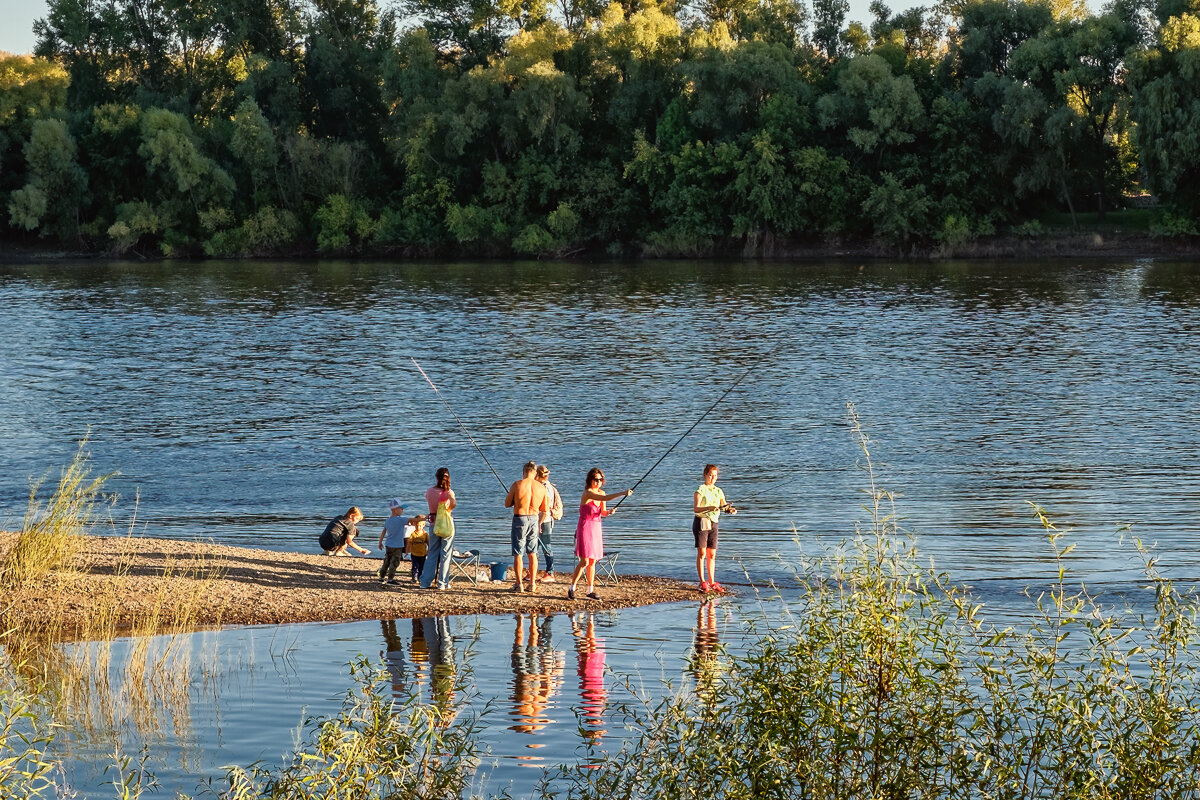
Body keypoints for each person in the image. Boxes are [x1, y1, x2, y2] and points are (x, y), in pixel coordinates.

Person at [567, 468, 632, 601]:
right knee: (584, 561)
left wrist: (609, 512)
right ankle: (572, 587)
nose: (598, 482)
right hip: (585, 527)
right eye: (596, 480)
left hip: (596, 528)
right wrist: (623, 493)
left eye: (600, 480)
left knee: (592, 561)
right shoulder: (588, 493)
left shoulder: (601, 492)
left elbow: (602, 512)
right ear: (590, 480)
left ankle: (590, 590)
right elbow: (605, 498)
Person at [504, 461, 549, 594]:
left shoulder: (517, 484)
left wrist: (514, 498)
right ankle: (532, 583)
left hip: (520, 518)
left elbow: (507, 504)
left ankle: (519, 584)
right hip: (534, 519)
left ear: (524, 472)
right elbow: (545, 510)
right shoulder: (541, 488)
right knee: (532, 552)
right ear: (535, 473)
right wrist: (540, 523)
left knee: (518, 553)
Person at [694, 463, 736, 593]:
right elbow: (696, 509)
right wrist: (709, 508)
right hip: (702, 522)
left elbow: (724, 506)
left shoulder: (719, 491)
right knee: (702, 553)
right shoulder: (700, 490)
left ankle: (712, 582)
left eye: (715, 476)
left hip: (714, 523)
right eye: (710, 475)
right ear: (705, 475)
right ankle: (702, 582)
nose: (712, 478)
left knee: (711, 554)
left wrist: (730, 510)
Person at [420, 468, 457, 589]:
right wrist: (449, 493)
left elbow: (430, 502)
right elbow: (452, 506)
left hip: (433, 524)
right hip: (447, 525)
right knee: (446, 554)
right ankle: (442, 583)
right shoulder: (449, 493)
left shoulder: (429, 491)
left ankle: (425, 582)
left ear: (436, 478)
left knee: (432, 553)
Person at [535, 465, 563, 583]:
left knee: (546, 546)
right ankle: (533, 571)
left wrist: (539, 524)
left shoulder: (545, 488)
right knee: (534, 546)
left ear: (538, 475)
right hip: (540, 520)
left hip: (544, 521)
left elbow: (544, 509)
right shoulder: (543, 486)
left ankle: (550, 572)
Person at [378, 499, 408, 585]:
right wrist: (424, 518)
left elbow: (384, 531)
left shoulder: (388, 520)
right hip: (397, 546)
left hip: (388, 545)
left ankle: (381, 578)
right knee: (394, 562)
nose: (402, 510)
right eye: (401, 508)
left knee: (386, 561)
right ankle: (390, 579)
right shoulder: (401, 520)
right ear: (394, 509)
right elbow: (412, 520)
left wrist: (380, 542)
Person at [407, 514, 429, 582]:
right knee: (415, 566)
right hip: (414, 554)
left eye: (420, 525)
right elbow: (409, 543)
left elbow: (428, 542)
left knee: (421, 567)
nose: (418, 527)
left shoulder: (425, 534)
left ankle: (420, 578)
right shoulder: (413, 534)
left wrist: (429, 550)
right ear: (414, 524)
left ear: (423, 525)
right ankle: (414, 577)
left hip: (423, 553)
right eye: (416, 525)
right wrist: (407, 551)